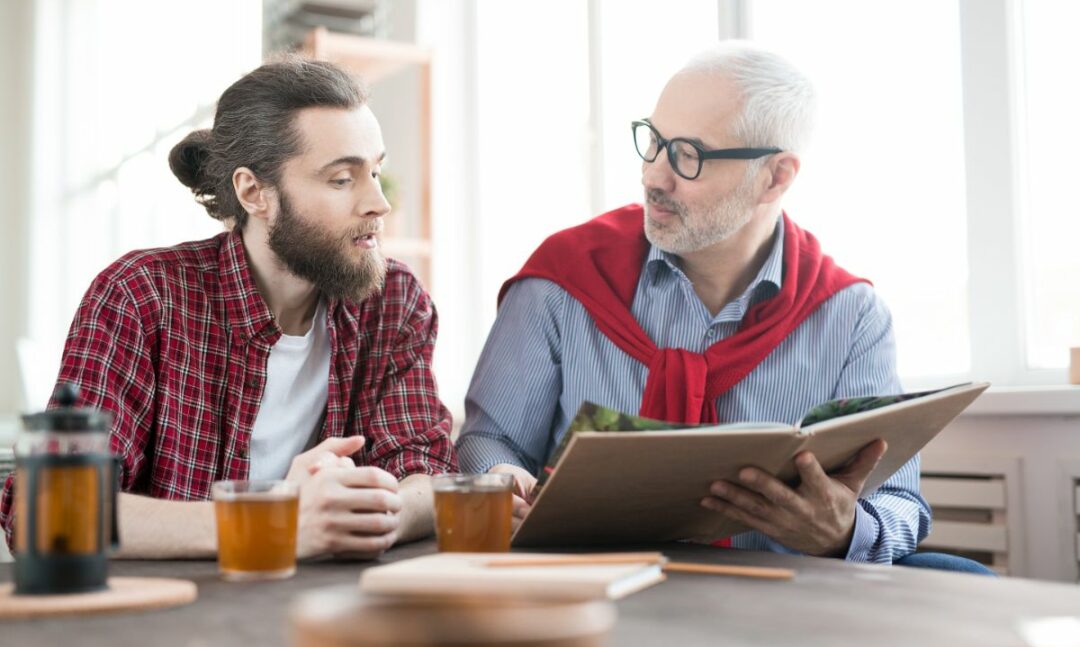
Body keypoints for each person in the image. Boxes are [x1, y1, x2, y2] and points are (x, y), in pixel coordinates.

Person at [457, 42, 932, 564]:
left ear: (776, 177)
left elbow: (900, 502)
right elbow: (489, 439)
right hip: (590, 588)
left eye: (689, 156)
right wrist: (502, 480)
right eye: (654, 142)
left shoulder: (851, 316)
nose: (654, 176)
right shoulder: (561, 281)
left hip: (784, 606)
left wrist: (844, 532)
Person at [0, 58, 455, 559]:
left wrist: (375, 509)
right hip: (165, 622)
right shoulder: (141, 295)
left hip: (324, 611)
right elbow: (48, 511)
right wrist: (277, 520)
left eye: (376, 171)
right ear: (253, 192)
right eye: (342, 179)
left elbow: (428, 475)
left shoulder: (393, 300)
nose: (378, 203)